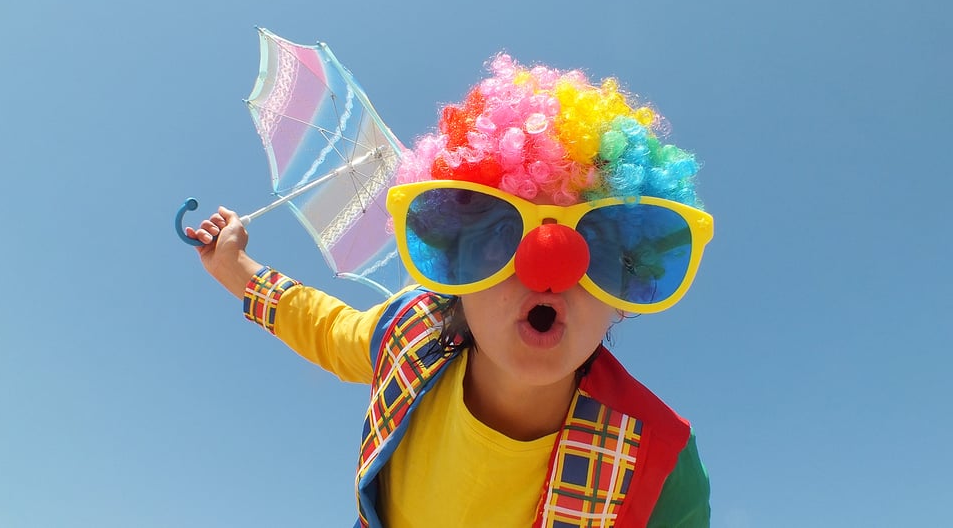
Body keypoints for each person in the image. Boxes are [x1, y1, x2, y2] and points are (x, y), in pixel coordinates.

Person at [187, 53, 714, 527]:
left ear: (625, 288)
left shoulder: (661, 462)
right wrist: (234, 266)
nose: (549, 267)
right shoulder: (408, 333)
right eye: (498, 233)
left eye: (597, 248)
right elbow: (324, 325)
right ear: (451, 269)